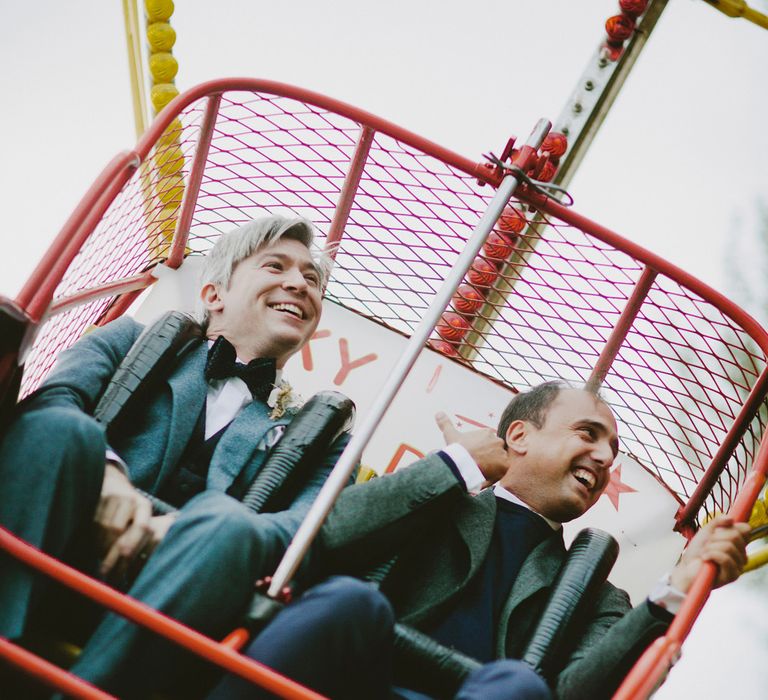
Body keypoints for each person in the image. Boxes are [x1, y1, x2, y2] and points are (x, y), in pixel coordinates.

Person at [209, 381, 750, 700]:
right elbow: (327, 533)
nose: (607, 459)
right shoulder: (436, 497)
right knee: (349, 603)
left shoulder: (599, 598)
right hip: (345, 678)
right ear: (518, 436)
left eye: (612, 449)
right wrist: (456, 467)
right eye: (588, 434)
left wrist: (672, 595)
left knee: (518, 688)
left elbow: (581, 693)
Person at [0, 215, 349, 698]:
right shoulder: (128, 340)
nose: (299, 283)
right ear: (213, 295)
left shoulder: (318, 437)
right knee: (61, 427)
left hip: (178, 605)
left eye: (312, 279)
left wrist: (196, 531)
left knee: (231, 524)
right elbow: (52, 401)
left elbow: (305, 530)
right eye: (276, 266)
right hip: (60, 543)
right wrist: (110, 477)